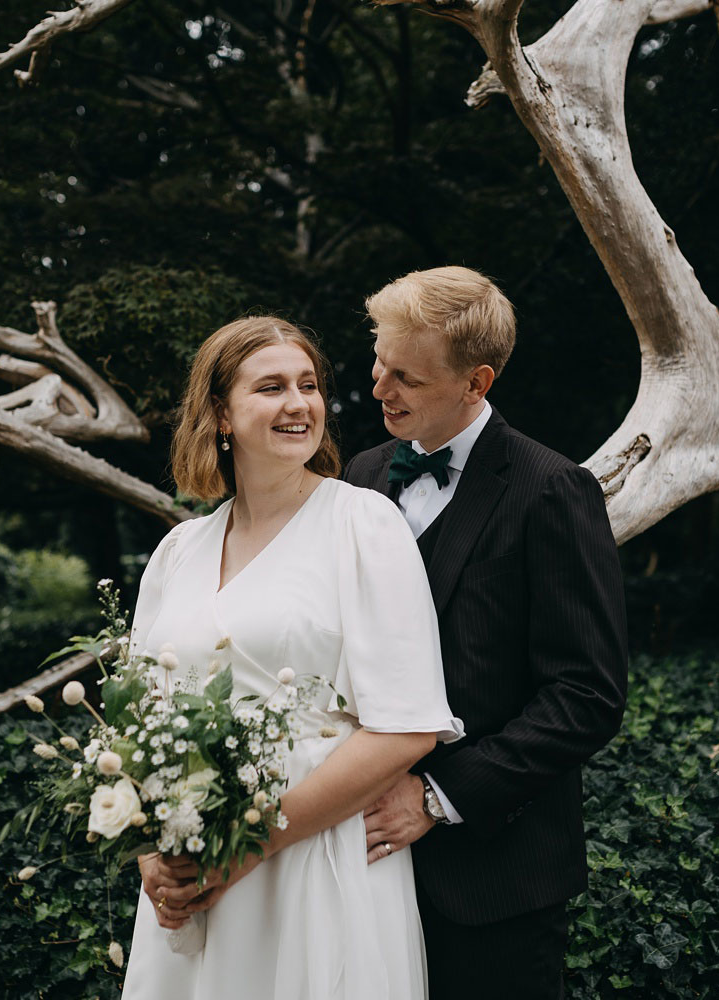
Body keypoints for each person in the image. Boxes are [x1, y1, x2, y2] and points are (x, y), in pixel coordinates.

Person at [121, 316, 464, 999]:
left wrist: (250, 846)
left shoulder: (363, 525)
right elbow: (136, 730)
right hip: (195, 869)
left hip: (316, 856)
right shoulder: (179, 550)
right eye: (271, 387)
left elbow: (406, 726)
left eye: (308, 385)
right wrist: (150, 857)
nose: (298, 403)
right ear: (220, 411)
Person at [345, 266, 629, 1000]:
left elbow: (585, 696)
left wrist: (438, 796)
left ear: (476, 382)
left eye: (405, 376)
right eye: (379, 362)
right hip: (357, 871)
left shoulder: (551, 490)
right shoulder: (361, 476)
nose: (379, 388)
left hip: (494, 884)